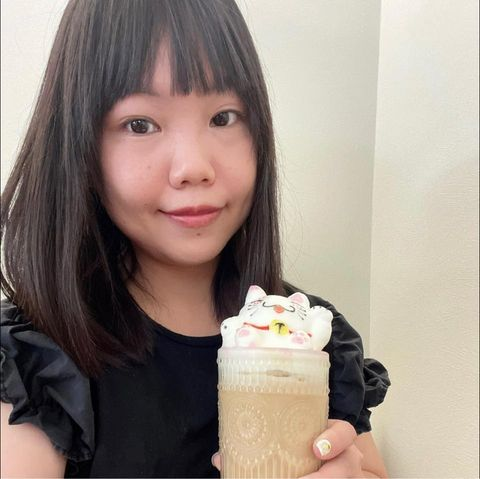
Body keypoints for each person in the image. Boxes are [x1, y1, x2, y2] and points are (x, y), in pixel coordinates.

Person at [0, 1, 390, 477]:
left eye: (223, 117)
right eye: (140, 124)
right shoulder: (38, 358)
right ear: (80, 146)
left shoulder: (308, 332)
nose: (194, 167)